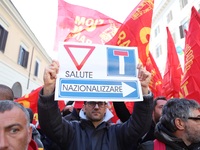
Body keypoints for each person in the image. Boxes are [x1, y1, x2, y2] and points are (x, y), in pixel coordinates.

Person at [38, 60, 153, 150]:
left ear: (106, 107)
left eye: (101, 103)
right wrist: (48, 88)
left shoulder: (117, 133)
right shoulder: (71, 131)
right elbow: (50, 123)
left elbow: (139, 125)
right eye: (92, 102)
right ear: (84, 106)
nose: (96, 107)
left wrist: (143, 90)